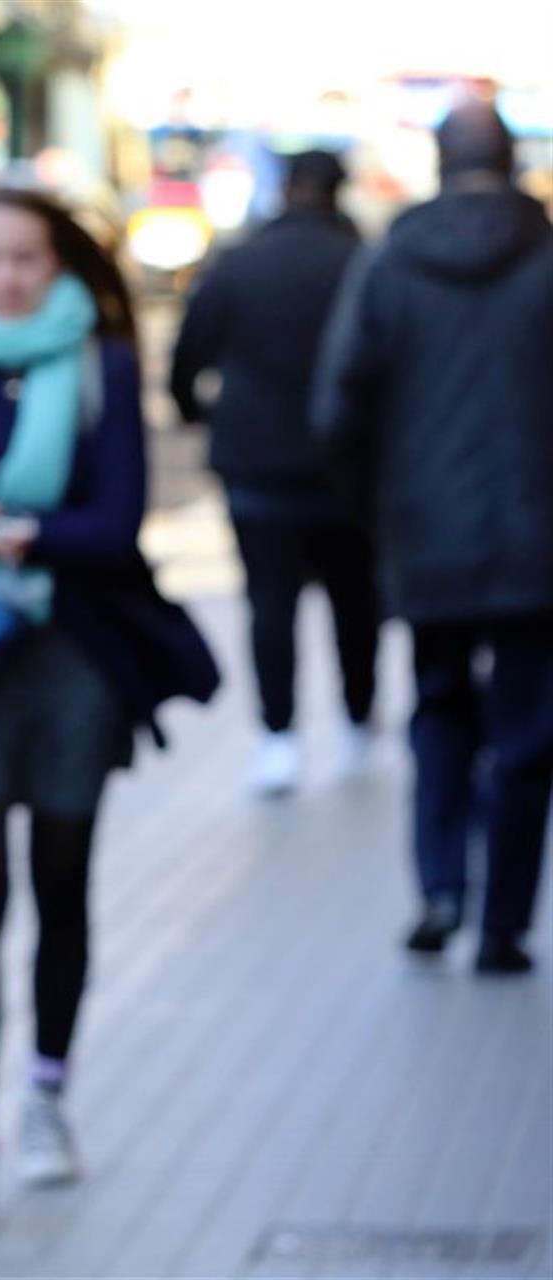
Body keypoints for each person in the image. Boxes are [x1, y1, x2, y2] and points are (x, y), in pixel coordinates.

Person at [0, 188, 214, 1222]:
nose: (8, 276)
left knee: (61, 885)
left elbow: (116, 523)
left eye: (27, 258)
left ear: (59, 265)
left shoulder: (100, 362)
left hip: (73, 656)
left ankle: (49, 1098)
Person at [312, 101, 553, 976]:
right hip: (537, 543)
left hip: (427, 534)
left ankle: (441, 890)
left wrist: (376, 508)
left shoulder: (389, 265)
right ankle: (505, 924)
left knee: (440, 706)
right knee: (529, 731)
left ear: (440, 166)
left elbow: (338, 408)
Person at [170, 150, 379, 796]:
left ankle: (278, 738)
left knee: (269, 604)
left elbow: (186, 360)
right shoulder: (363, 264)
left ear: (286, 190)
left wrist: (202, 414)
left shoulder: (240, 263)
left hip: (257, 465)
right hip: (348, 468)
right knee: (355, 601)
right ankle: (358, 724)